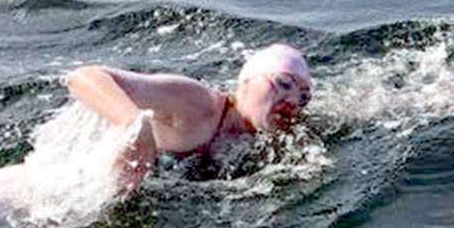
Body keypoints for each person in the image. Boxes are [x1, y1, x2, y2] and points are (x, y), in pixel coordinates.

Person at [65, 42, 313, 195]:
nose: (292, 101)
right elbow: (83, 77)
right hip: (67, 193)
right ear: (246, 81)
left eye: (303, 97)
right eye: (283, 83)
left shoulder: (275, 139)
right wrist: (133, 125)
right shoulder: (197, 104)